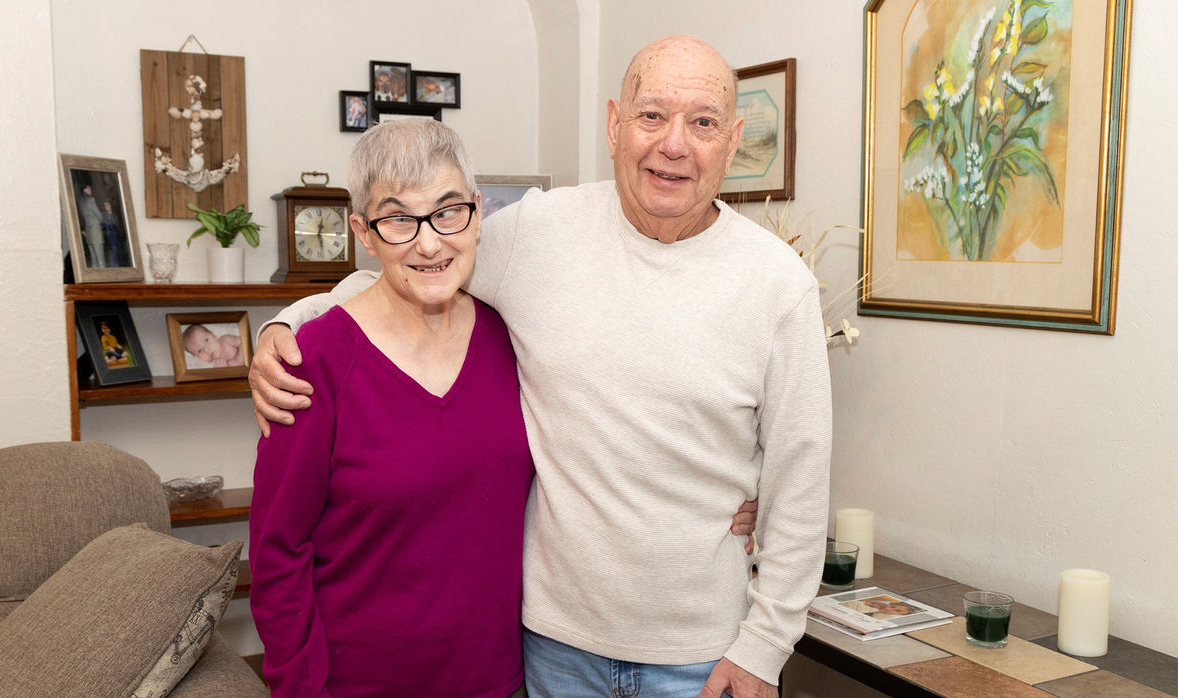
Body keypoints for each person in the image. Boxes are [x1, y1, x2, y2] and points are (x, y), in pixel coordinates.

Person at [252, 35, 830, 698]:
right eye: (651, 115)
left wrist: (765, 647)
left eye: (702, 123)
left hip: (703, 655)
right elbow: (417, 261)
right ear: (614, 125)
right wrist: (287, 325)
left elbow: (801, 487)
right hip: (551, 648)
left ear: (731, 141)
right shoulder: (538, 232)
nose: (673, 145)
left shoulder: (779, 287)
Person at [248, 119, 535, 697]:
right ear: (364, 231)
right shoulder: (313, 362)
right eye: (399, 219)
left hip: (499, 681)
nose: (429, 243)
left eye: (448, 211)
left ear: (479, 213)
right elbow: (278, 554)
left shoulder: (514, 340)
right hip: (359, 685)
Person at [78, 183, 106, 267]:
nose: (91, 190)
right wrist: (102, 221)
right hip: (95, 228)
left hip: (88, 229)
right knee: (100, 256)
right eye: (89, 188)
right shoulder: (91, 199)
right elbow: (98, 213)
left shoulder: (81, 201)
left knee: (93, 258)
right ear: (85, 189)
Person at [100, 200, 125, 267]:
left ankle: (117, 266)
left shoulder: (114, 216)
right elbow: (101, 225)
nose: (106, 207)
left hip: (114, 238)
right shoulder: (104, 215)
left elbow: (116, 226)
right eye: (105, 205)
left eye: (107, 205)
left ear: (110, 206)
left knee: (116, 253)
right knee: (110, 254)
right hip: (107, 239)